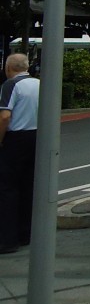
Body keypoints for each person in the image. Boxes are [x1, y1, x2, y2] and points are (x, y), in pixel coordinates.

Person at [0, 53, 39, 253]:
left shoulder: (11, 85)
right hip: (36, 137)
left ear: (9, 68)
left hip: (15, 139)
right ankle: (25, 234)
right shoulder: (40, 84)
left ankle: (8, 239)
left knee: (7, 189)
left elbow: (5, 116)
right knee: (27, 187)